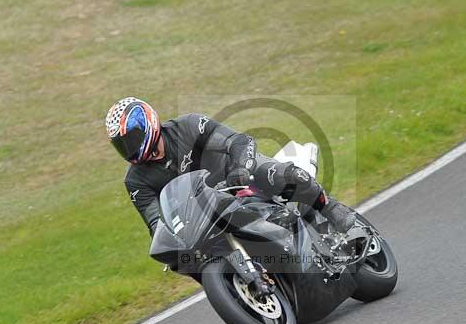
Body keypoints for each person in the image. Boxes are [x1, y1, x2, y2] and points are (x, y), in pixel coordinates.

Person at [105, 97, 356, 239]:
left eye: (131, 139)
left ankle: (329, 208)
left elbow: (239, 141)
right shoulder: (136, 182)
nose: (129, 148)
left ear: (147, 124)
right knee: (183, 257)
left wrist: (239, 168)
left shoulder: (189, 128)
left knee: (281, 175)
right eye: (122, 145)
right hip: (205, 214)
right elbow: (156, 225)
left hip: (238, 177)